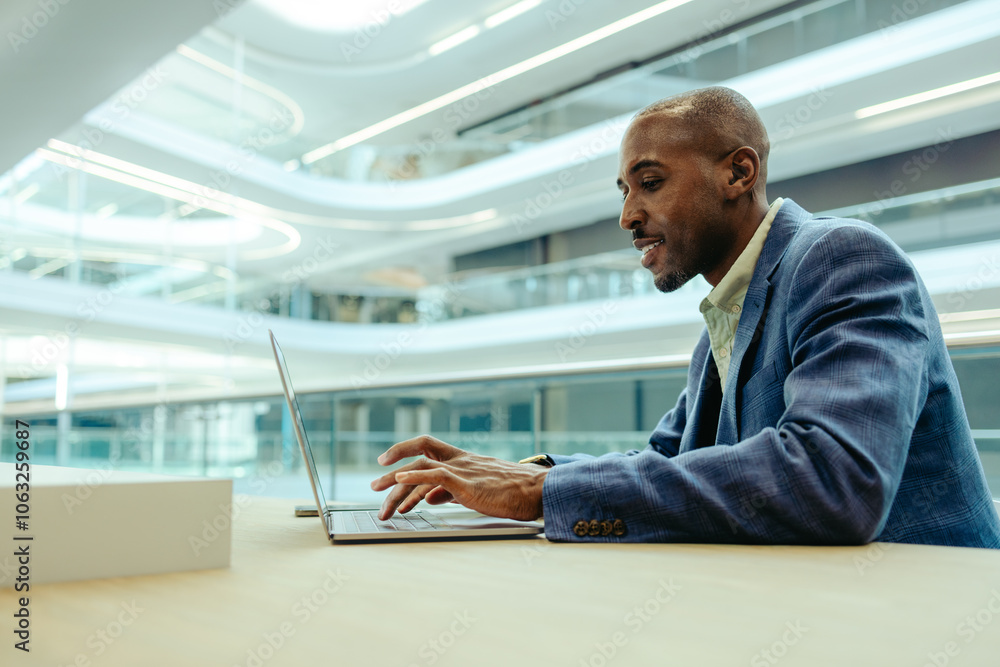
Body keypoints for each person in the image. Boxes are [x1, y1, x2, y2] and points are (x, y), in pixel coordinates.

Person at [371, 86, 1000, 548]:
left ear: (738, 171)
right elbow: (667, 457)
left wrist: (543, 496)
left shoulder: (841, 259)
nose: (627, 217)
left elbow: (834, 480)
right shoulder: (725, 319)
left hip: (929, 612)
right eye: (624, 191)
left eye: (650, 182)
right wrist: (528, 473)